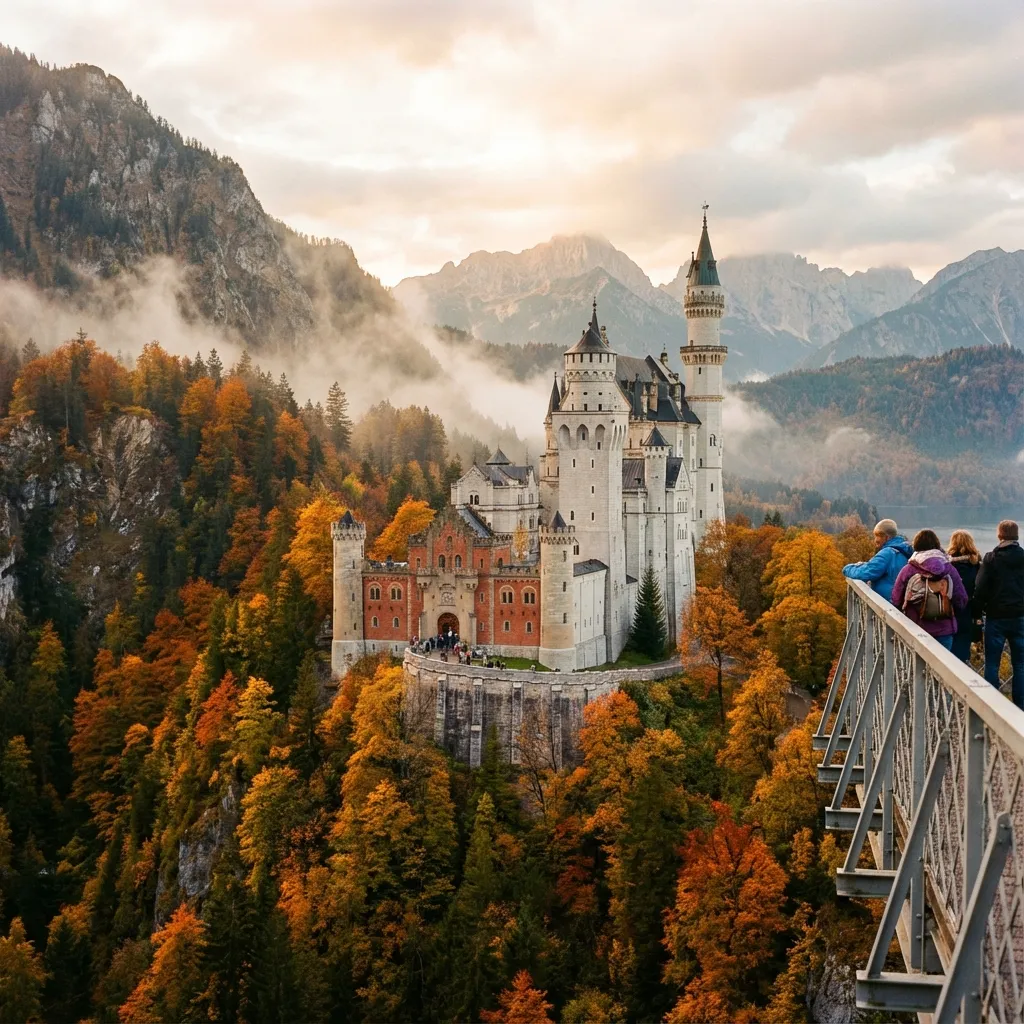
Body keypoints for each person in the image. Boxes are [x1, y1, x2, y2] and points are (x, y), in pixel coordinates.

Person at [974, 520, 1024, 708]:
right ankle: (1020, 708)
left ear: (999, 535)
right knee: (1020, 665)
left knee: (992, 663)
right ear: (1016, 536)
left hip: (996, 617)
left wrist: (977, 613)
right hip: (1020, 616)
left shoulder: (991, 559)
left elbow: (980, 589)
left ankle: (992, 706)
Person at [891, 529, 968, 650]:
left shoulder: (908, 569)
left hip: (915, 629)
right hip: (944, 630)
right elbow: (961, 599)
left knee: (915, 668)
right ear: (937, 545)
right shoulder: (949, 569)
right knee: (942, 667)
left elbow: (896, 599)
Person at [842, 519, 913, 602]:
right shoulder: (904, 550)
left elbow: (866, 573)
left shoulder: (887, 553)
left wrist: (847, 568)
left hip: (889, 605)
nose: (875, 540)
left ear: (886, 537)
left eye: (877, 536)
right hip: (903, 603)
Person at [947, 530, 982, 664]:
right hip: (968, 610)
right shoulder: (977, 566)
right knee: (963, 645)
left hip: (948, 609)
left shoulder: (946, 565)